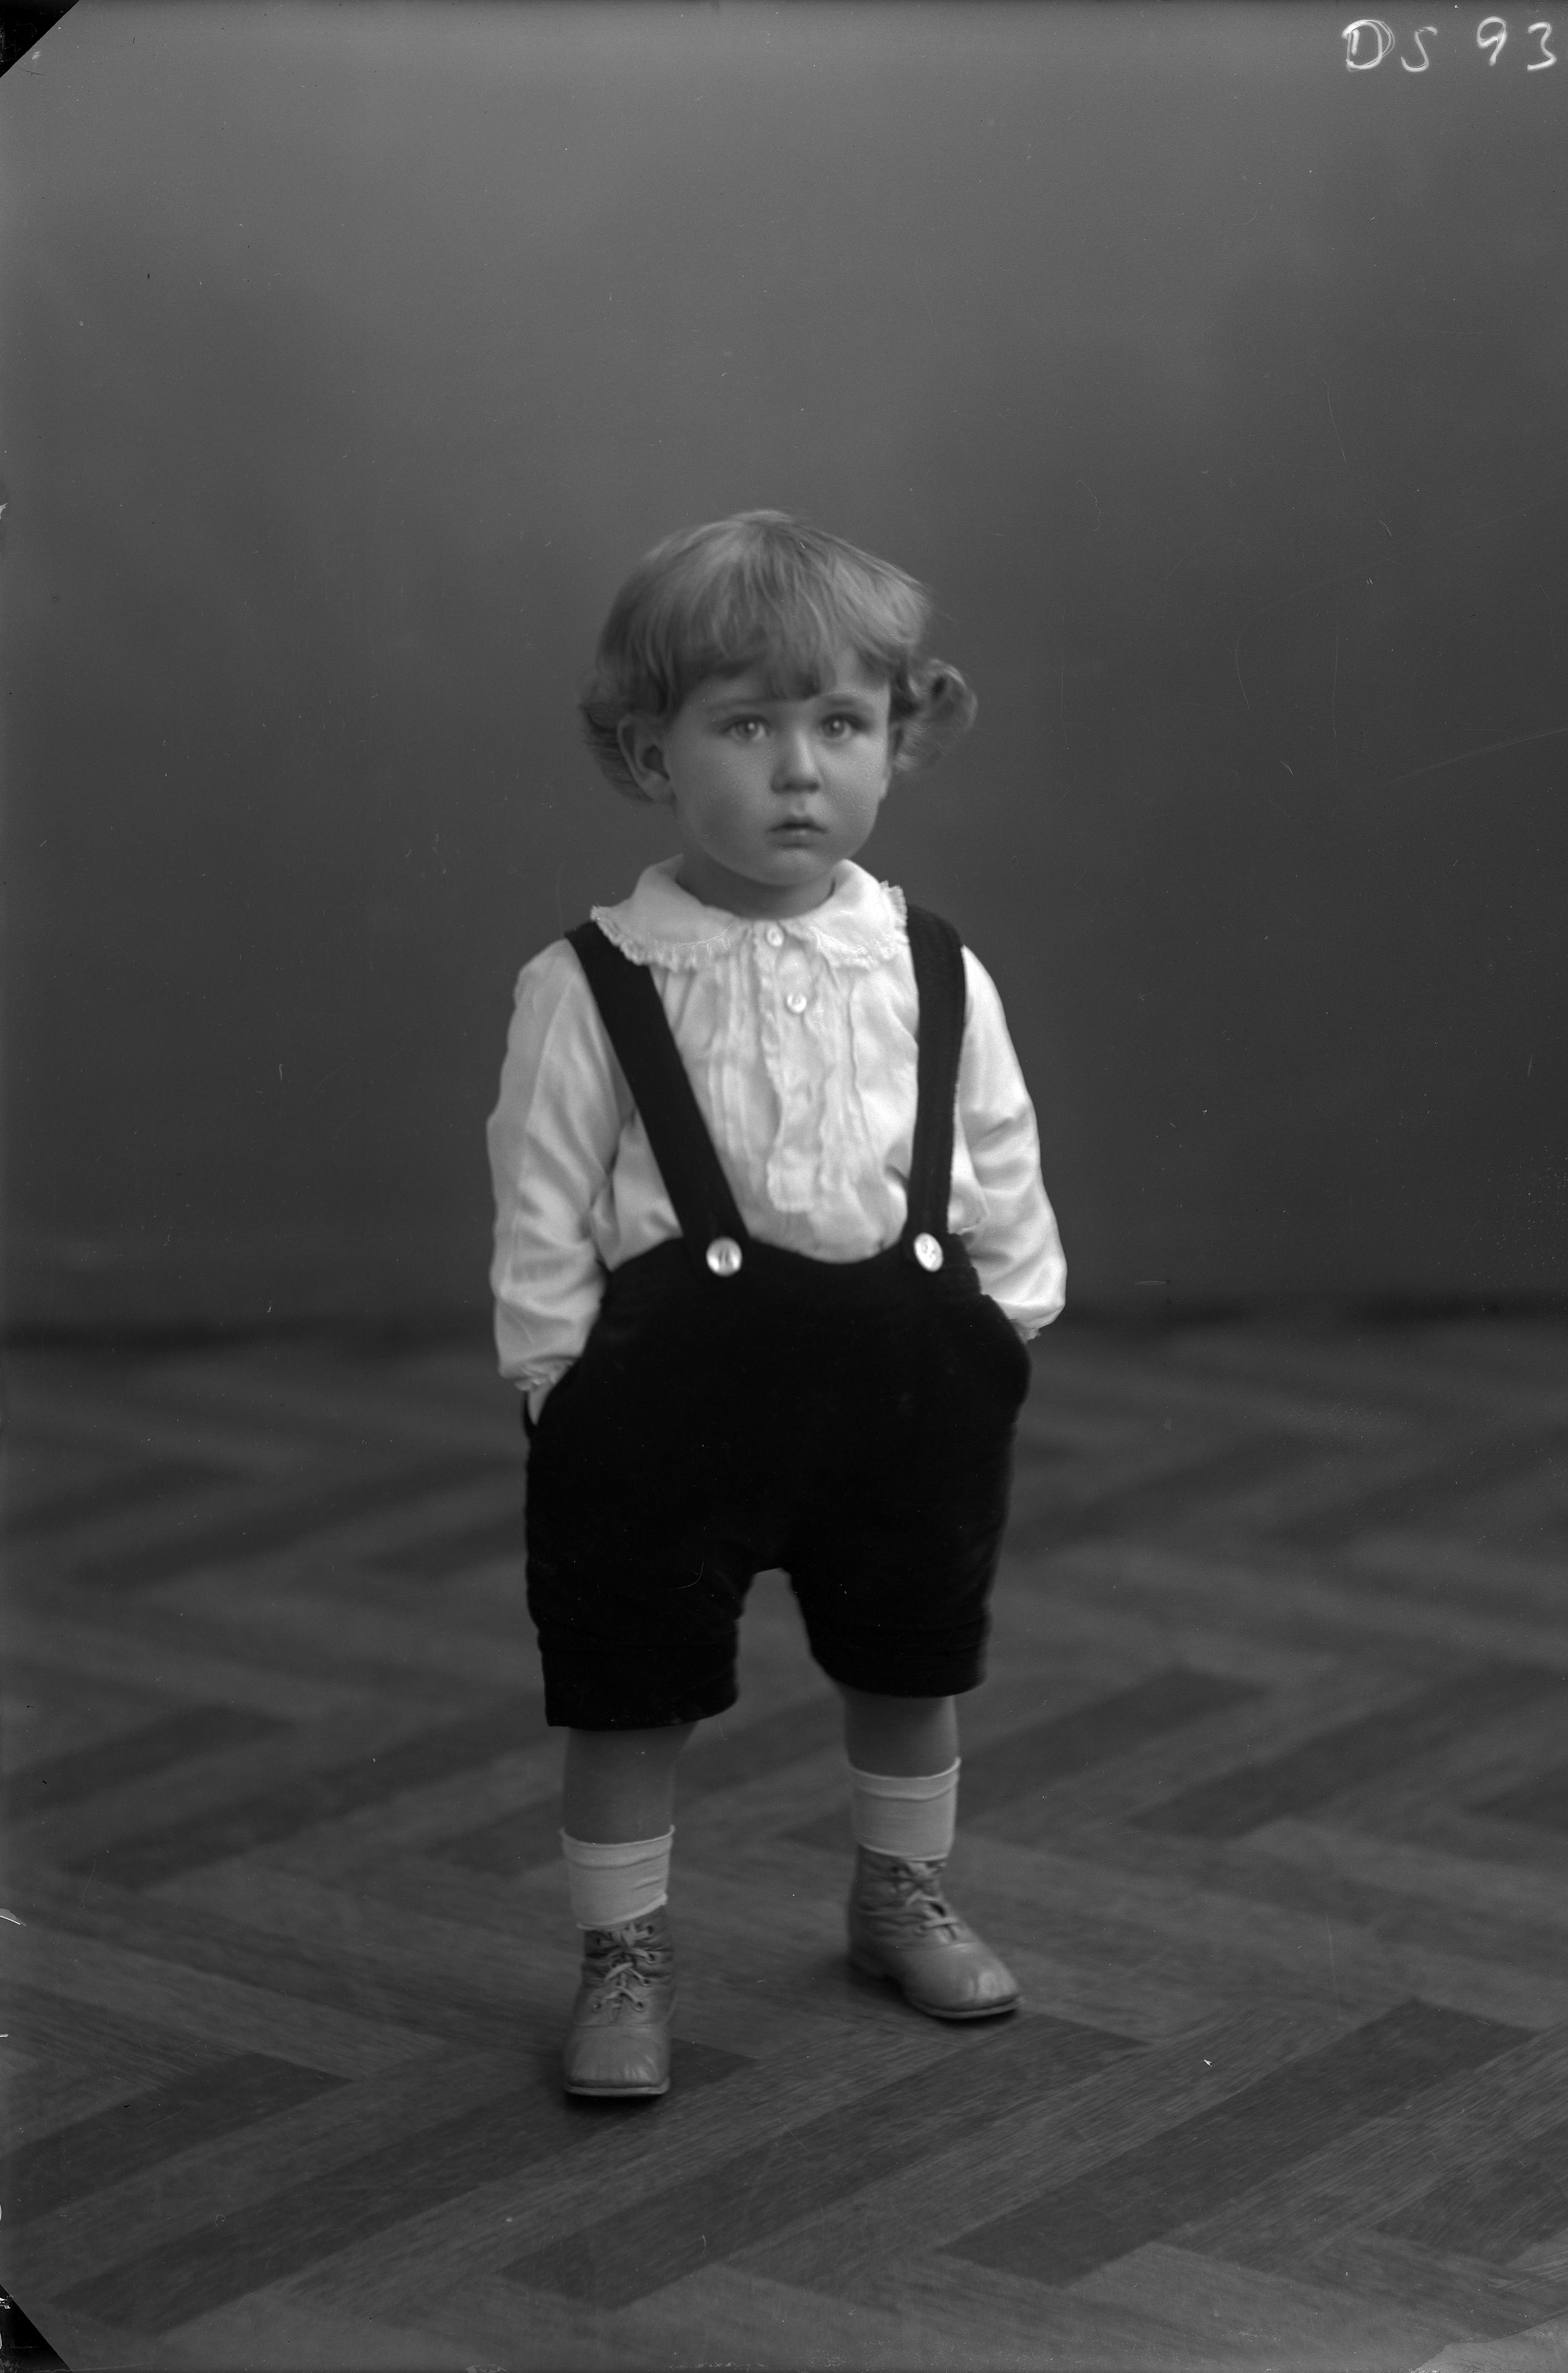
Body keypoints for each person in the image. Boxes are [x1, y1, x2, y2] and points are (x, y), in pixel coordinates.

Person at [487, 510, 1065, 2099]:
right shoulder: (593, 983)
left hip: (903, 1386)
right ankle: (622, 1957)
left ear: (898, 739)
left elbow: (997, 1150)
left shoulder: (929, 965)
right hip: (663, 1408)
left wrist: (1002, 1329)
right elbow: (539, 1201)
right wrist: (555, 1384)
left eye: (841, 726)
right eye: (745, 728)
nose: (800, 772)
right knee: (629, 1685)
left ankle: (899, 1893)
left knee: (910, 1660)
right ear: (649, 751)